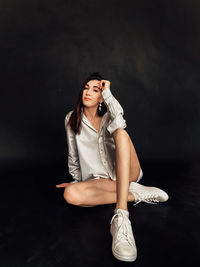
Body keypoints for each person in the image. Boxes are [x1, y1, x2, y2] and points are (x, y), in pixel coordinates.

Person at [56, 72, 169, 262]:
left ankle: (121, 215)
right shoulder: (71, 118)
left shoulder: (109, 115)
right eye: (86, 88)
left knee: (121, 132)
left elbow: (120, 119)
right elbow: (73, 154)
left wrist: (107, 92)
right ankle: (136, 194)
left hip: (126, 173)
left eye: (95, 89)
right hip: (99, 181)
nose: (88, 92)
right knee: (70, 195)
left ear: (101, 96)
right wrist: (75, 182)